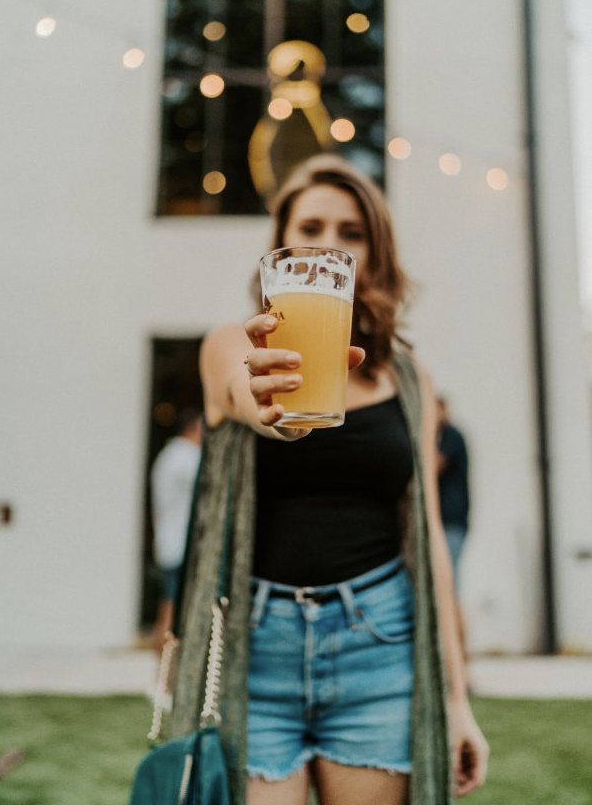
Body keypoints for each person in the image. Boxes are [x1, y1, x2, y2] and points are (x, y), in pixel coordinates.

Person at [170, 154, 489, 805]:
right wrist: (273, 410)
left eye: (351, 233)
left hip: (380, 644)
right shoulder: (233, 346)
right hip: (256, 652)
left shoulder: (407, 379)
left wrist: (456, 700)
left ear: (375, 253)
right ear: (280, 247)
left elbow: (428, 538)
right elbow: (242, 394)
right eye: (310, 228)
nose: (327, 246)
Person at [150, 408, 203, 654]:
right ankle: (164, 677)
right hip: (180, 546)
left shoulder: (168, 455)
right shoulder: (186, 457)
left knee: (167, 609)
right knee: (171, 613)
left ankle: (161, 676)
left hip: (169, 544)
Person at [436, 397, 470, 591]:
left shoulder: (451, 436)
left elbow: (435, 465)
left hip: (451, 522)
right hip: (446, 523)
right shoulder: (442, 437)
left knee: (449, 585)